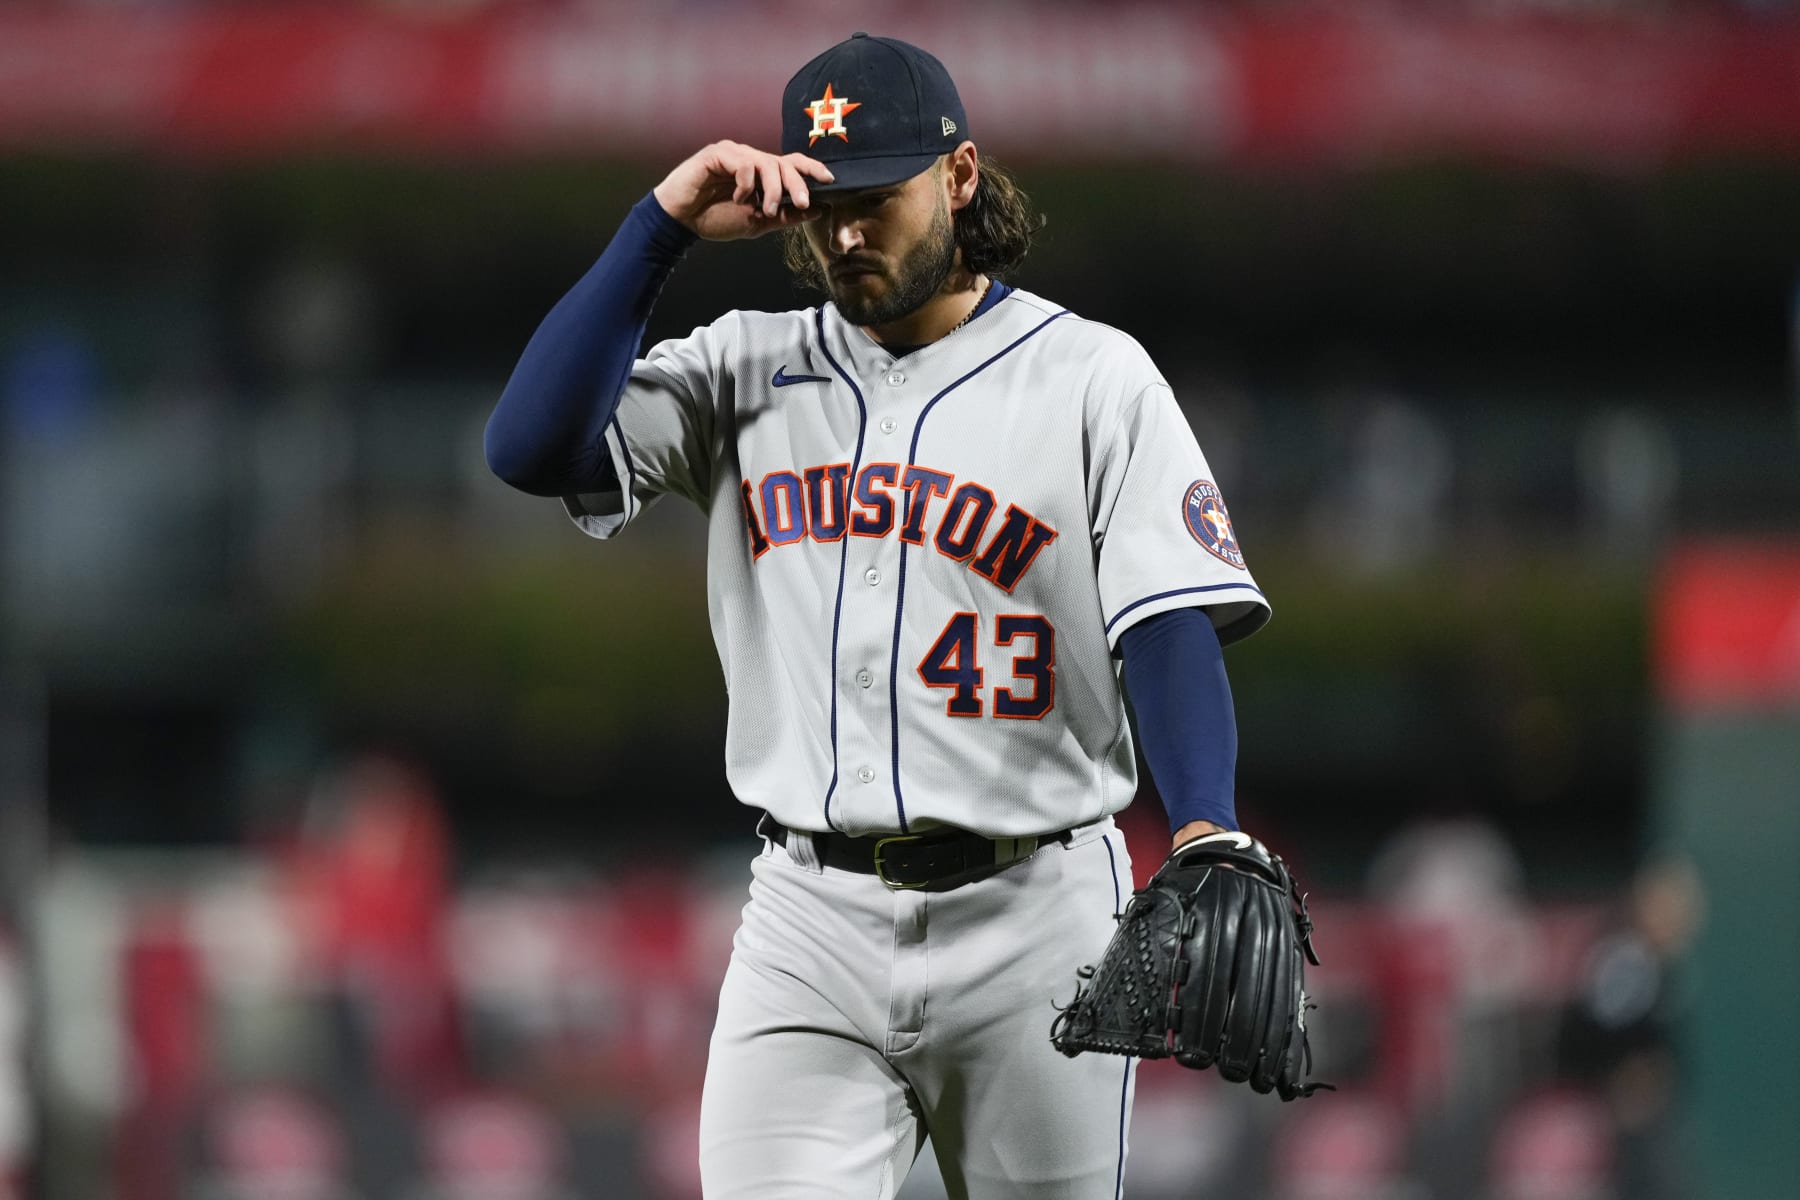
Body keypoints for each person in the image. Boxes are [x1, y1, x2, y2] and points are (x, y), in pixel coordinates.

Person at [484, 32, 1270, 1200]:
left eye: (880, 197)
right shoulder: (742, 367)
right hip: (809, 916)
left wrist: (1204, 820)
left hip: (1037, 912)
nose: (849, 232)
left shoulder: (1091, 376)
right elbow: (531, 449)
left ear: (958, 177)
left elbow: (1162, 620)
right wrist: (658, 231)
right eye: (829, 201)